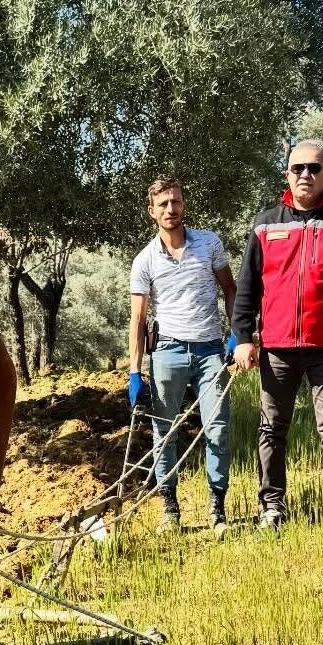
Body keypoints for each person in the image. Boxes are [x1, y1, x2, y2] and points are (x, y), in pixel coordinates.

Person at [231, 140, 323, 531]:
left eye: (314, 168)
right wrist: (244, 337)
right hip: (277, 348)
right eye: (298, 169)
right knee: (271, 429)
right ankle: (272, 508)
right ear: (287, 175)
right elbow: (247, 287)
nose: (305, 176)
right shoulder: (265, 224)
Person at [127, 176, 238, 533]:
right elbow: (139, 318)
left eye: (175, 202)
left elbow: (230, 289)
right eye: (163, 204)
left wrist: (237, 333)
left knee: (218, 430)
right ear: (152, 212)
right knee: (165, 434)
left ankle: (217, 508)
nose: (170, 209)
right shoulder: (145, 260)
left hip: (211, 352)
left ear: (183, 204)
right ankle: (170, 509)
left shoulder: (209, 243)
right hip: (167, 354)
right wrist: (134, 370)